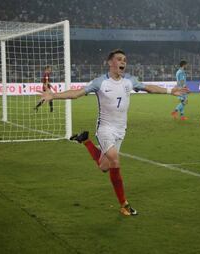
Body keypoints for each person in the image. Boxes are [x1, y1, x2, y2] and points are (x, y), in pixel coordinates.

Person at [39, 49, 188, 216]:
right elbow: (77, 93)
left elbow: (149, 88)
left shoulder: (129, 81)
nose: (123, 62)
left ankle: (85, 141)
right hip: (105, 128)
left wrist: (170, 91)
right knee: (115, 160)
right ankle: (124, 204)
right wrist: (54, 95)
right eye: (119, 59)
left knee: (104, 166)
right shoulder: (100, 82)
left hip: (120, 130)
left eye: (124, 59)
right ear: (110, 63)